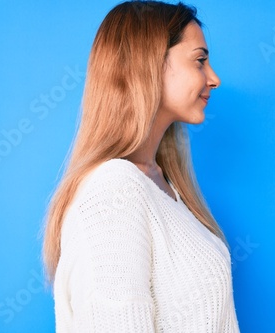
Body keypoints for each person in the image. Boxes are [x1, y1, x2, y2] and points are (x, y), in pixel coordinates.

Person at [42, 1, 240, 331]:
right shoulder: (114, 190)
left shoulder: (162, 185)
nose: (214, 78)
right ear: (149, 64)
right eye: (200, 61)